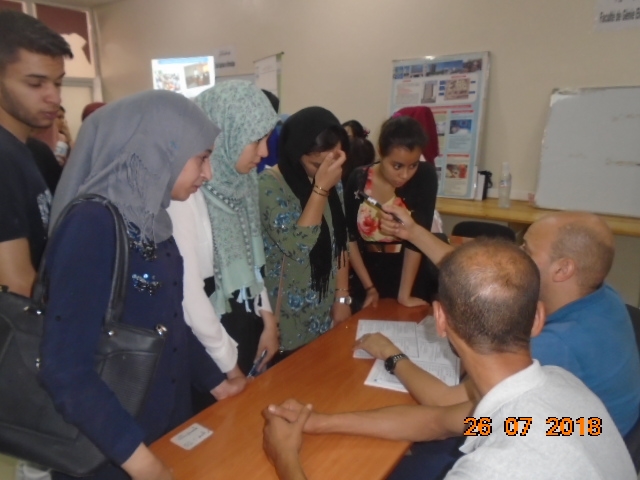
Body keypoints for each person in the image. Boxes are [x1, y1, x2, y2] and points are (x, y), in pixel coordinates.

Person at [262, 239, 637, 480]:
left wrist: (285, 457)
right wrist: (319, 422)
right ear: (538, 318)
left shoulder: (488, 471)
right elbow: (437, 421)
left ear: (440, 319)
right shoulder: (564, 392)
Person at [41, 90, 243, 480]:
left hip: (162, 428)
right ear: (160, 149)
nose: (208, 174)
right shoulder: (92, 225)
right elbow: (65, 369)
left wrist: (217, 384)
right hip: (111, 449)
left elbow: (166, 321)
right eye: (201, 158)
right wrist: (144, 464)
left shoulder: (151, 220)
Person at [378, 207, 640, 436]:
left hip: (565, 440)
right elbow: (473, 275)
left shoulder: (558, 344)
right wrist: (413, 232)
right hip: (593, 431)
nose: (516, 255)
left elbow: (445, 404)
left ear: (562, 269)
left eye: (526, 249)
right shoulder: (598, 293)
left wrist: (391, 353)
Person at [168, 80, 279, 389]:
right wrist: (230, 367)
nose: (264, 152)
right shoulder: (186, 195)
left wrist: (268, 321)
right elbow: (190, 294)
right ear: (226, 133)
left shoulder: (244, 182)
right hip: (210, 340)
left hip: (246, 322)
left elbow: (252, 262)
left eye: (267, 139)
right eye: (256, 140)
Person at [258, 107, 350, 354]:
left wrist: (342, 297)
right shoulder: (268, 186)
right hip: (287, 316)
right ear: (295, 153)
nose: (326, 170)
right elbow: (298, 246)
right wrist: (320, 189)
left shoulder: (333, 179)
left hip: (325, 307)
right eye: (317, 164)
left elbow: (340, 241)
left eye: (334, 161)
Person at [0, 10, 72, 297]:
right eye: (35, 84)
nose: (54, 97)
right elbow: (16, 286)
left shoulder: (37, 152)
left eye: (58, 82)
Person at [344, 116, 438, 310]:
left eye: (413, 165)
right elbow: (349, 238)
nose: (405, 175)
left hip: (410, 278)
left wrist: (404, 295)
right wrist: (369, 287)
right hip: (367, 275)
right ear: (381, 152)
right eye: (397, 166)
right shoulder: (358, 178)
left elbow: (418, 238)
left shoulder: (425, 176)